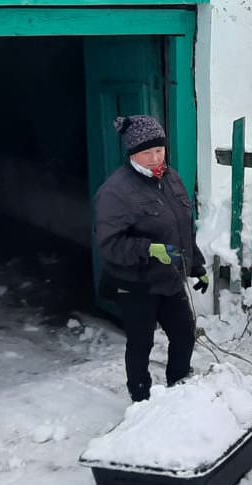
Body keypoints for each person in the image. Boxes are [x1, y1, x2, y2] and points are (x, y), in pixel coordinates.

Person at [95, 115, 209, 402]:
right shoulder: (115, 192)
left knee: (184, 335)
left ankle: (179, 387)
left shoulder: (171, 179)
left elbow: (184, 226)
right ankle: (141, 400)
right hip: (135, 284)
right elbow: (109, 244)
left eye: (159, 150)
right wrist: (147, 249)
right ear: (133, 153)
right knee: (141, 343)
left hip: (168, 279)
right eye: (147, 152)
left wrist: (197, 265)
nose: (155, 158)